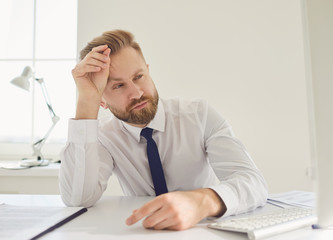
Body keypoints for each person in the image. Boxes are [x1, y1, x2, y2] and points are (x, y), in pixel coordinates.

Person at [60, 29, 268, 231]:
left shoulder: (199, 115)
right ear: (102, 102)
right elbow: (78, 199)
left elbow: (253, 183)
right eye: (118, 86)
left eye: (139, 76)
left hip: (203, 231)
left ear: (148, 71)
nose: (136, 92)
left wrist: (201, 201)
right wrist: (87, 101)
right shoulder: (104, 136)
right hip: (140, 232)